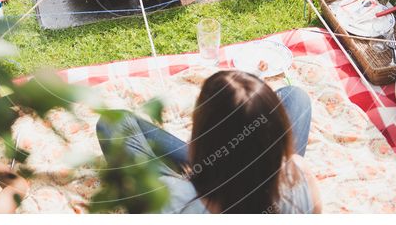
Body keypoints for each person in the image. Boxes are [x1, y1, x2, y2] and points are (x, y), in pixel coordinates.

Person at [96, 70, 322, 214]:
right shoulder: (300, 177)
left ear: (195, 140)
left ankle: (221, 155)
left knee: (111, 123)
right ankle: (239, 148)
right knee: (295, 96)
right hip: (253, 171)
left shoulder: (170, 197)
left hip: (201, 183)